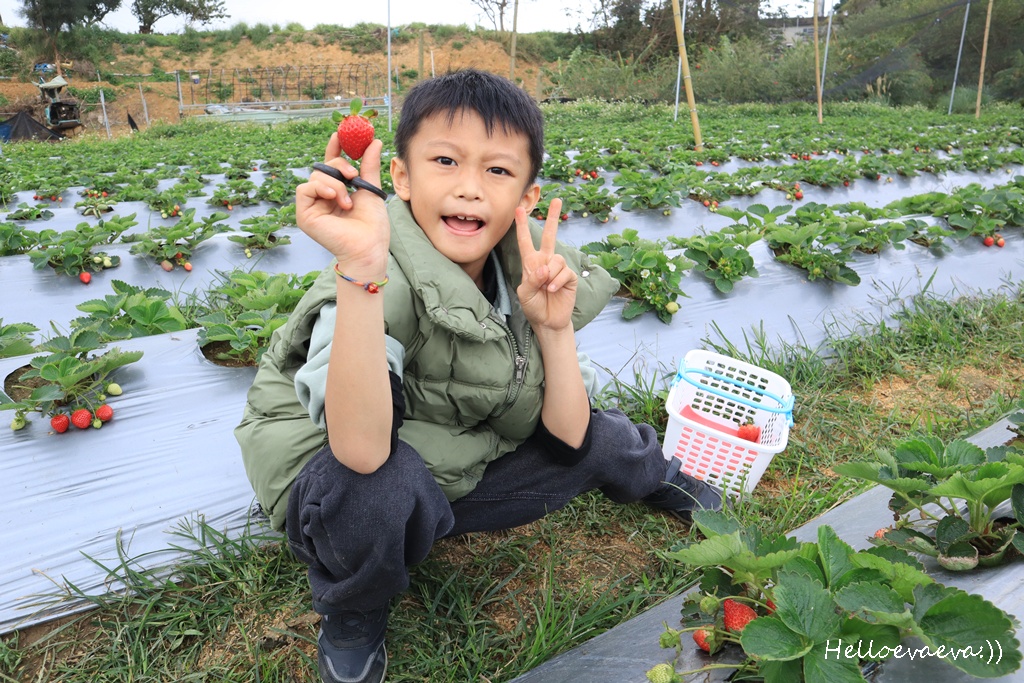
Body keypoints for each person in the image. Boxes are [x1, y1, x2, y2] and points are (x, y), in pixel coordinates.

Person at [235, 68, 722, 683]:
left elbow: (568, 438)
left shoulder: (529, 269)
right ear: (402, 178)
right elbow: (358, 450)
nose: (469, 189)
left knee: (602, 432)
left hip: (453, 460)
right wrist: (359, 266)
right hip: (342, 471)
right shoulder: (374, 279)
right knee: (375, 491)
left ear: (525, 197)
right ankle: (355, 609)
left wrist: (551, 327)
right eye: (445, 161)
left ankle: (661, 479)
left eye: (496, 170)